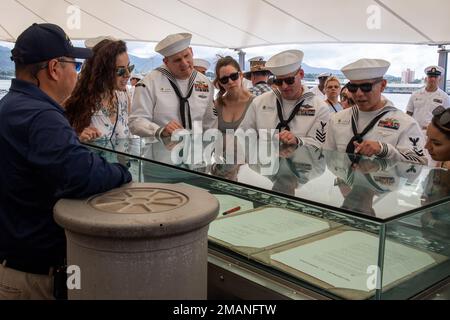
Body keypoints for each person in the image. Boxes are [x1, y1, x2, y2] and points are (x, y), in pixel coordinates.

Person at [0, 23, 131, 300]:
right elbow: (80, 174)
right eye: (75, 64)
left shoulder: (11, 105)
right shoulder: (41, 116)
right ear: (54, 68)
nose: (77, 72)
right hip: (34, 275)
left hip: (14, 258)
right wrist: (122, 173)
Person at [324, 58, 427, 165]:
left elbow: (419, 165)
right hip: (344, 180)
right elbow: (328, 158)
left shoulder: (406, 124)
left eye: (366, 87)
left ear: (382, 85)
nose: (359, 93)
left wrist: (385, 150)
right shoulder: (336, 120)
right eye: (353, 87)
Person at [129, 33, 216, 138]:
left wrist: (207, 147)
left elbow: (210, 121)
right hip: (159, 151)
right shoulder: (149, 83)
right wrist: (160, 131)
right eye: (177, 60)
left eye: (186, 56)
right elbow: (136, 122)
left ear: (191, 52)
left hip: (196, 151)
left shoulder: (205, 83)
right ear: (166, 62)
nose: (184, 63)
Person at [240, 50, 330, 148]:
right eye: (278, 81)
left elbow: (320, 144)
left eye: (289, 80)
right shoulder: (259, 102)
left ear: (301, 74)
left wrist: (298, 141)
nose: (284, 86)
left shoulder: (320, 107)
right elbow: (242, 135)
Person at [65, 40, 133, 142]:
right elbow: (60, 139)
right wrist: (76, 137)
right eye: (121, 70)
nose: (128, 74)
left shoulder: (123, 97)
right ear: (103, 71)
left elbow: (128, 140)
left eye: (129, 67)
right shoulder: (76, 99)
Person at [212, 56, 254, 133]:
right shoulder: (217, 105)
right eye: (224, 79)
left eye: (234, 76)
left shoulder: (255, 103)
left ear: (241, 75)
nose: (230, 81)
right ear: (220, 83)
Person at [406, 66, 450, 131]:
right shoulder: (415, 94)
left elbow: (446, 117)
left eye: (435, 77)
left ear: (439, 79)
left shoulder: (445, 97)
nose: (432, 79)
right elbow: (409, 113)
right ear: (426, 78)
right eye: (430, 76)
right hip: (414, 130)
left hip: (433, 132)